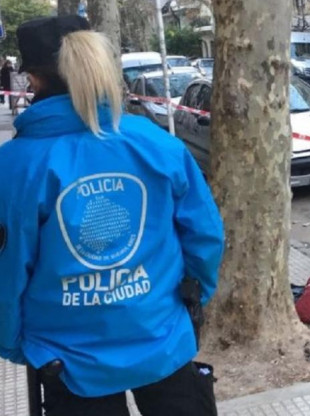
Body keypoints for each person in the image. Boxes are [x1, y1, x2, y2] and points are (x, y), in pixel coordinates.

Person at [0, 15, 225, 416]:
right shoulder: (156, 143)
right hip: (161, 336)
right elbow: (205, 236)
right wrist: (190, 302)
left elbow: (8, 266)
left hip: (66, 357)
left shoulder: (16, 165)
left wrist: (15, 342)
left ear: (32, 80)